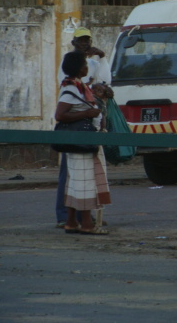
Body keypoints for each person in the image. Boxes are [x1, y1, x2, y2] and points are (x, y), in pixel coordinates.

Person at [55, 27, 111, 228]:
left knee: (77, 180)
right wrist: (87, 113)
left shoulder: (81, 83)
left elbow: (105, 83)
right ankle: (78, 219)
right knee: (81, 180)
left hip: (86, 135)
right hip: (78, 136)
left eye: (87, 40)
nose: (85, 44)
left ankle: (74, 219)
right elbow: (60, 114)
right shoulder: (71, 81)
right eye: (81, 40)